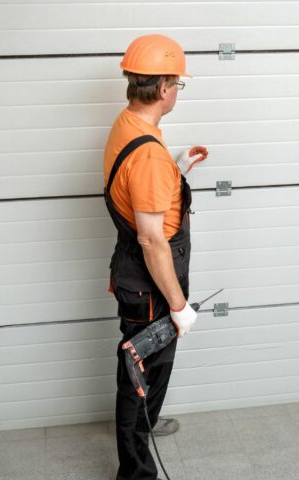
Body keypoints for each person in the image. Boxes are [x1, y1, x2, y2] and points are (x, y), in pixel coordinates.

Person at [103, 34, 208, 480]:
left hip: (141, 274)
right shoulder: (147, 154)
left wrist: (176, 168)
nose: (176, 92)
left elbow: (141, 195)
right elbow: (151, 240)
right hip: (150, 283)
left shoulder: (130, 125)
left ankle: (141, 428)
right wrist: (179, 306)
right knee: (143, 376)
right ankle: (135, 472)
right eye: (177, 84)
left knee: (143, 373)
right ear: (164, 86)